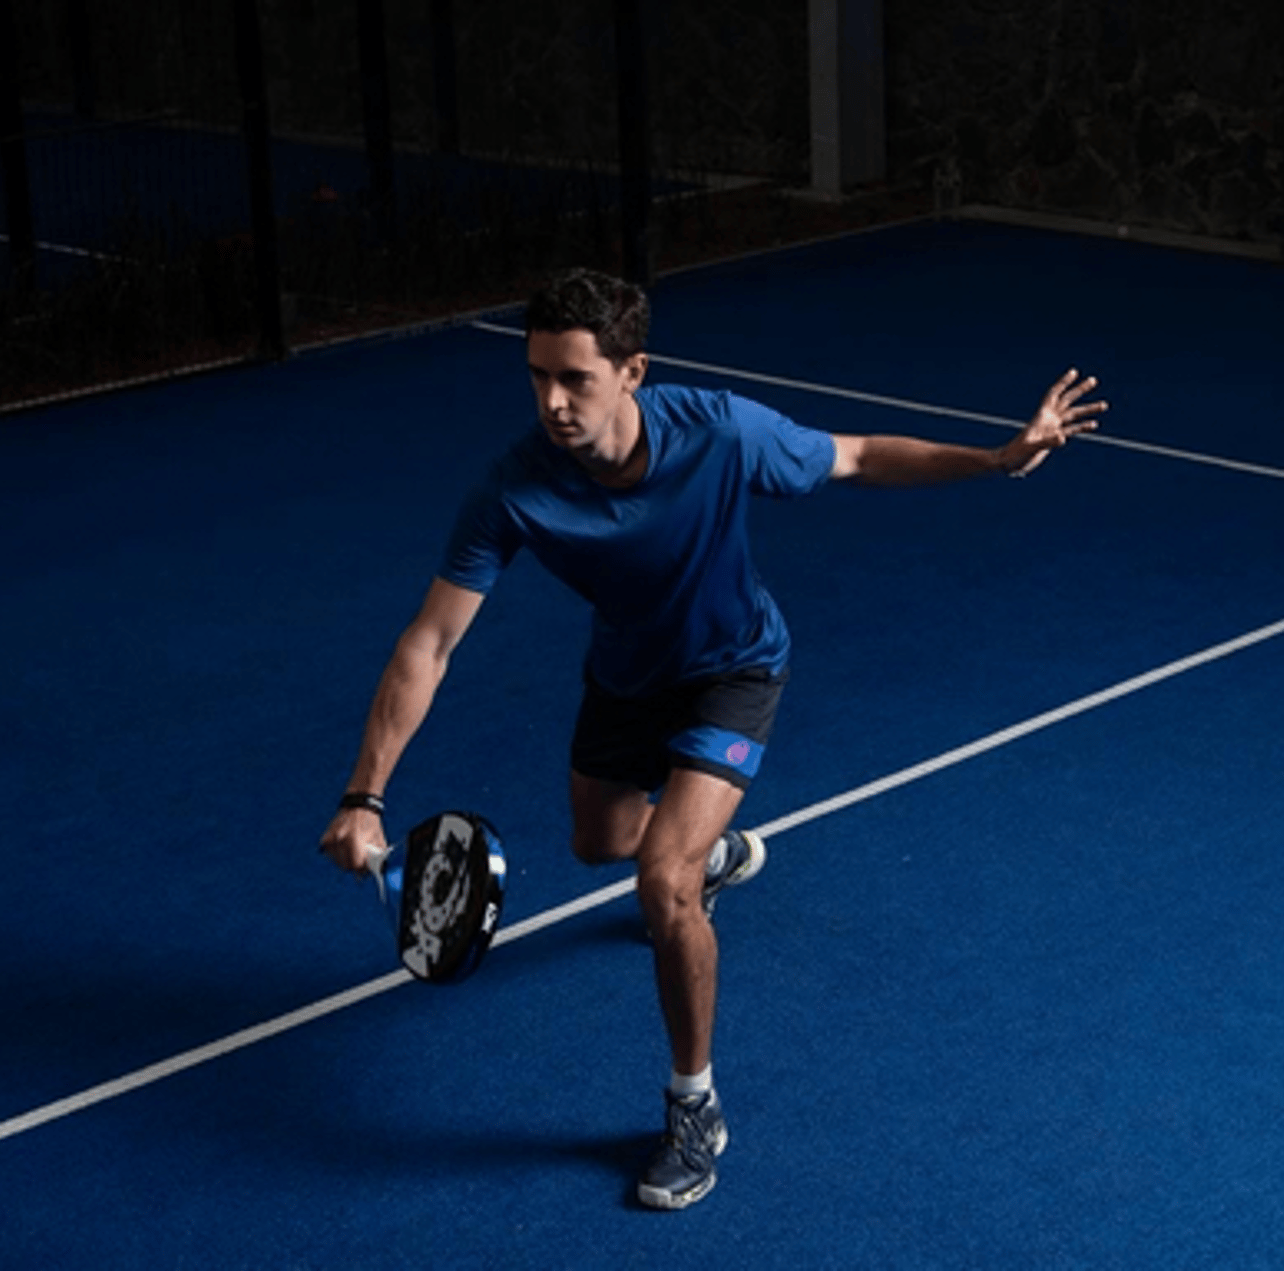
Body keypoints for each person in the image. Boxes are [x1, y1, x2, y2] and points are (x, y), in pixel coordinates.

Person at [319, 266, 1107, 1210]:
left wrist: (995, 458)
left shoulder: (722, 432)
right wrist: (364, 792)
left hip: (735, 670)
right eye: (537, 377)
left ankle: (694, 1104)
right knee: (601, 843)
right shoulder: (514, 489)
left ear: (634, 370)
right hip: (626, 678)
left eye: (575, 378)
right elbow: (431, 640)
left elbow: (854, 454)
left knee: (661, 879)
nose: (553, 401)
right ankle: (715, 849)